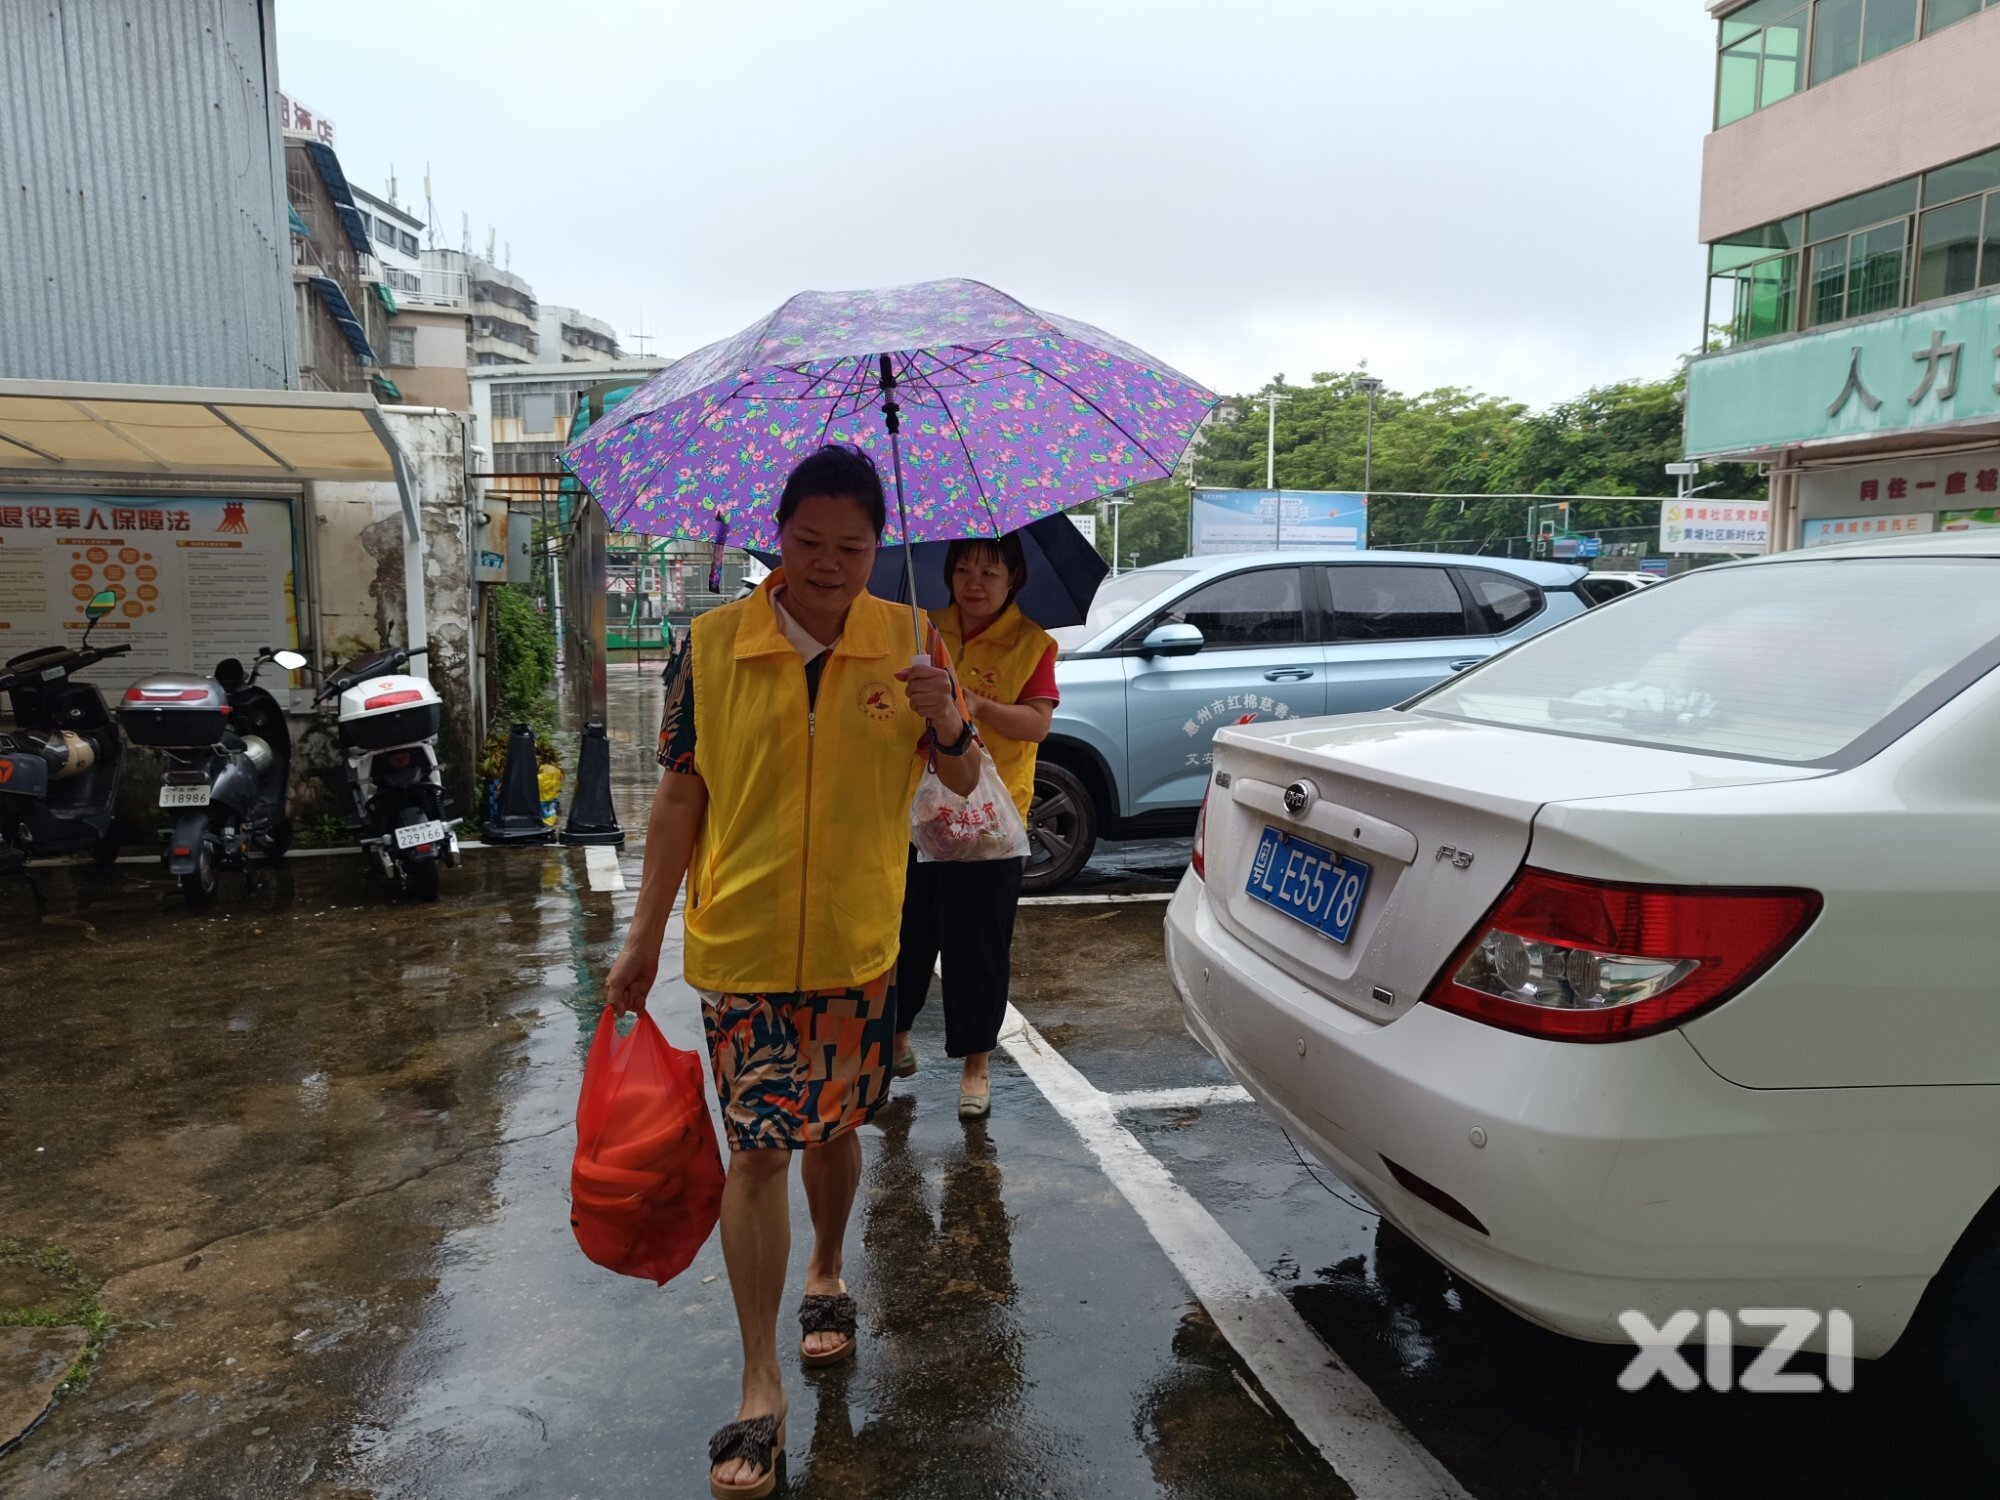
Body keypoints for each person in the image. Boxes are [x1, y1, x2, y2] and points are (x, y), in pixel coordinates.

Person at [602, 445, 982, 1500]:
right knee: (758, 1152)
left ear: (878, 546)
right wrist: (640, 935)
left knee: (834, 1131)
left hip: (861, 942)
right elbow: (682, 794)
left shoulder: (909, 638)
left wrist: (945, 713)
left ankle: (827, 1269)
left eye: (851, 547)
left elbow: (958, 779)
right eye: (808, 542)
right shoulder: (714, 644)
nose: (828, 564)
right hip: (746, 944)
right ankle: (758, 1377)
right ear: (777, 535)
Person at [891, 533, 1058, 1119]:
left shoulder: (1033, 643)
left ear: (1013, 579)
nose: (975, 583)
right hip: (915, 815)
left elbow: (1036, 725)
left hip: (990, 824)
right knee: (904, 936)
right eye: (964, 570)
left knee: (977, 950)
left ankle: (975, 1065)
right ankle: (898, 1038)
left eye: (990, 572)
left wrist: (974, 705)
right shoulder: (917, 629)